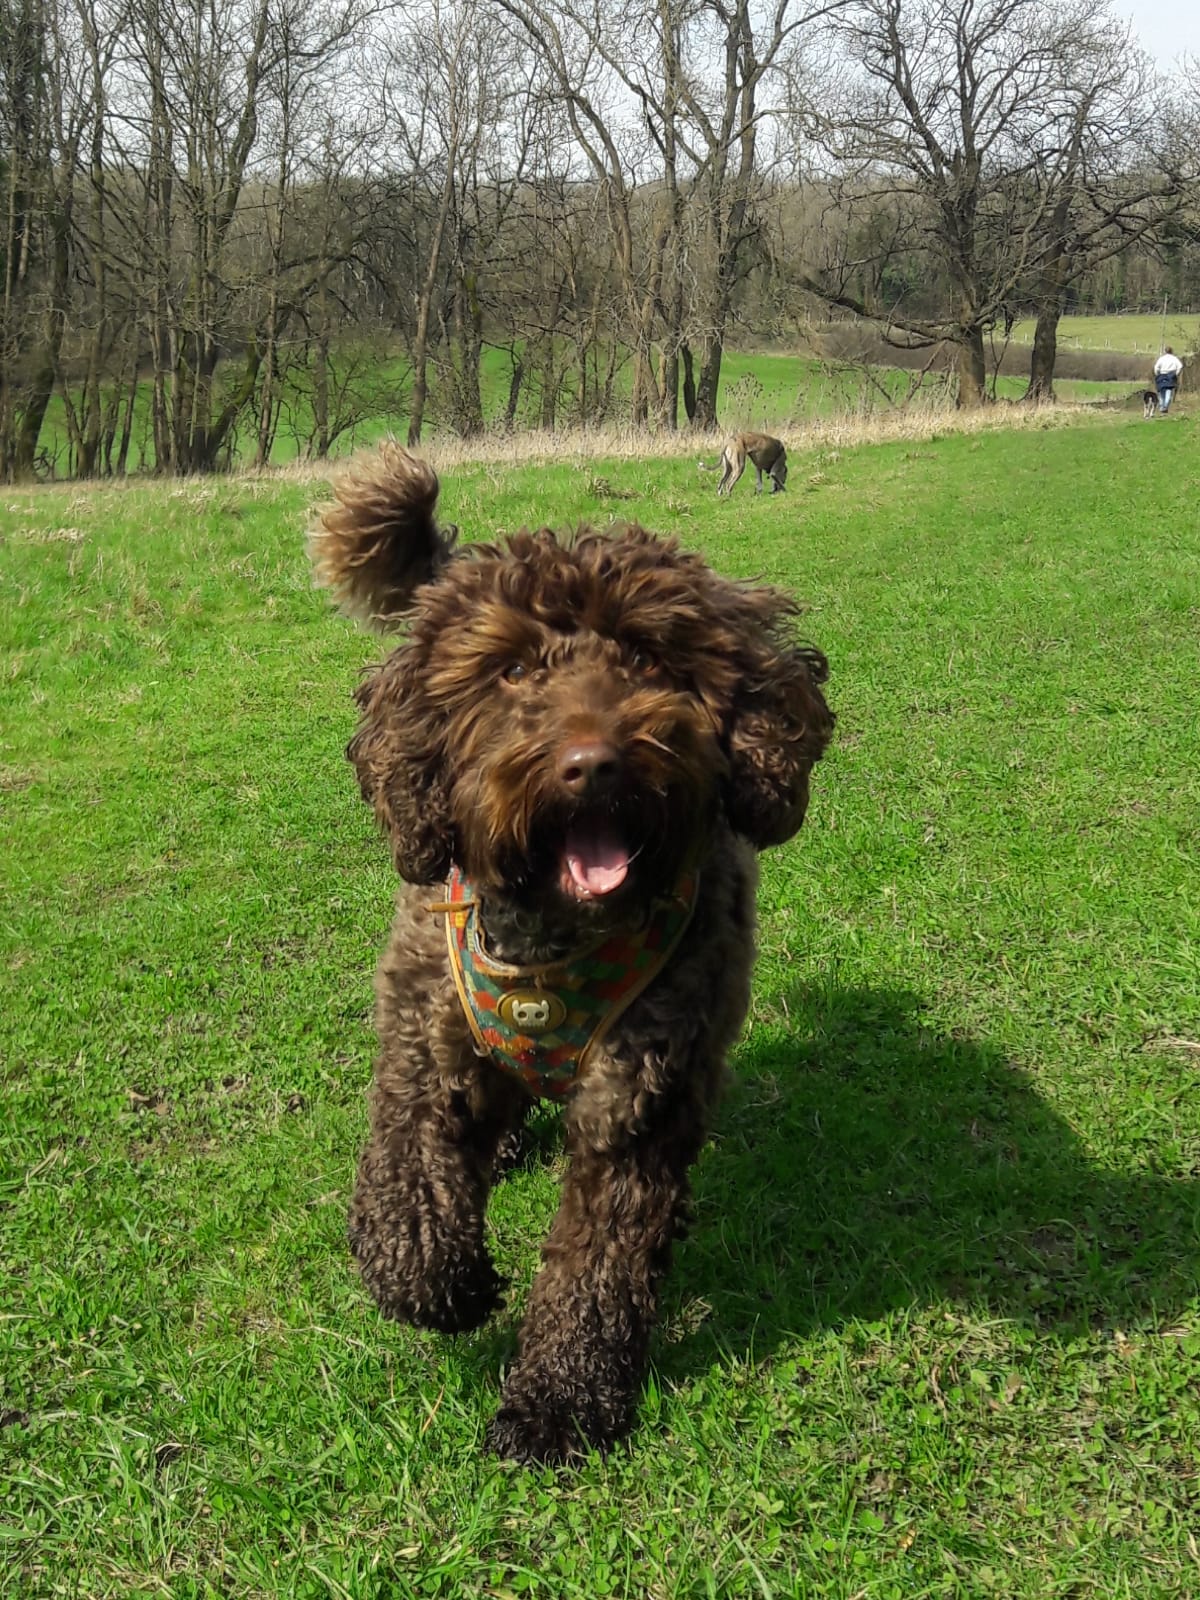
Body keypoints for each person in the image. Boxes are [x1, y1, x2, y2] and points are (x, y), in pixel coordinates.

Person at [1153, 346, 1184, 415]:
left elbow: (1156, 367)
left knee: (1161, 391)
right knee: (1169, 391)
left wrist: (1157, 374)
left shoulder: (1161, 358)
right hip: (1171, 375)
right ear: (1171, 351)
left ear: (1165, 351)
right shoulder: (1174, 358)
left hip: (1162, 374)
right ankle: (1165, 406)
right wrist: (1176, 373)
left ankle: (1162, 406)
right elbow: (1180, 366)